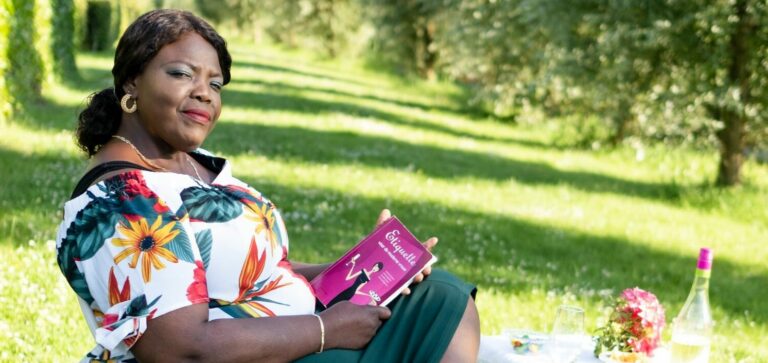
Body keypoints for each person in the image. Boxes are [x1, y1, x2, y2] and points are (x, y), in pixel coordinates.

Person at [56, 9, 479, 363]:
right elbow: (180, 349)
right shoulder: (122, 201)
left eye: (215, 84)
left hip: (295, 337)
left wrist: (367, 267)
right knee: (440, 310)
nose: (204, 94)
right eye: (182, 73)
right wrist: (325, 330)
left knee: (438, 294)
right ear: (132, 82)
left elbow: (255, 274)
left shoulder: (187, 165)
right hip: (269, 353)